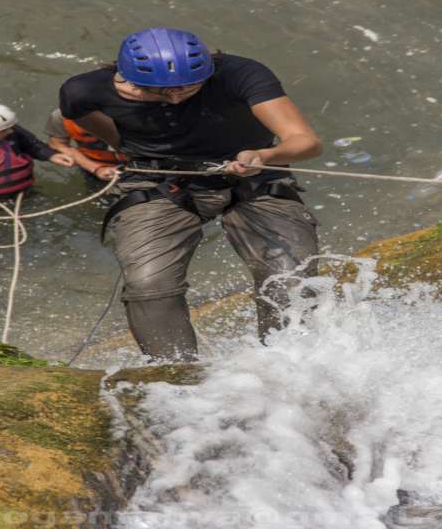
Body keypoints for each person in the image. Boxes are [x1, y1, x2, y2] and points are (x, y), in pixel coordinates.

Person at [59, 27, 323, 361]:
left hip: (252, 171)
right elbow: (115, 139)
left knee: (290, 277)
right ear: (125, 78)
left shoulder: (241, 74)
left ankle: (289, 364)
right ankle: (177, 376)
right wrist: (143, 153)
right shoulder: (83, 91)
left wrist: (264, 156)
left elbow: (305, 141)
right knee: (148, 285)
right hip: (158, 179)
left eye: (189, 87)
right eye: (158, 92)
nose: (175, 98)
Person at [43, 108, 129, 191]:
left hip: (136, 162)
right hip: (97, 167)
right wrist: (96, 169)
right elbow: (58, 144)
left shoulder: (131, 108)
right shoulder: (62, 116)